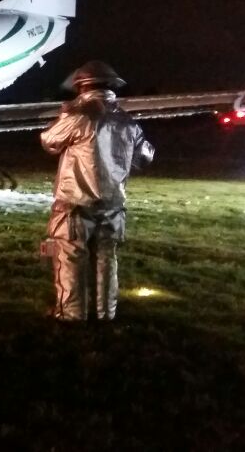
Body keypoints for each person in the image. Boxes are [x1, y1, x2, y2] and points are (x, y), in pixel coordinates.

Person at [41, 60, 154, 322]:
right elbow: (145, 157)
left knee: (70, 257)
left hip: (75, 204)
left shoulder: (79, 116)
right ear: (112, 86)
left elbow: (49, 141)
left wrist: (64, 115)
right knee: (106, 260)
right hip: (113, 205)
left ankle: (71, 314)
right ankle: (105, 313)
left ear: (82, 87)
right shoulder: (127, 121)